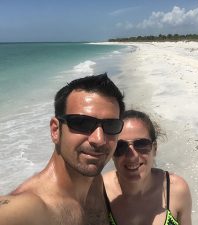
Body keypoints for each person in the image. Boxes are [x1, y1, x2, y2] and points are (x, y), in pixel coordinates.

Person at [0, 73, 125, 225]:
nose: (99, 139)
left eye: (111, 126)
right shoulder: (31, 208)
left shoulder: (95, 183)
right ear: (55, 130)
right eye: (82, 123)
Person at [103, 110, 192, 225]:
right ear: (111, 152)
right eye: (120, 147)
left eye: (141, 144)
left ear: (154, 148)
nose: (132, 156)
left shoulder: (177, 190)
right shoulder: (99, 192)